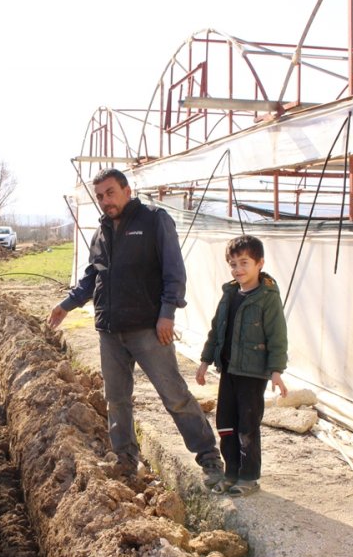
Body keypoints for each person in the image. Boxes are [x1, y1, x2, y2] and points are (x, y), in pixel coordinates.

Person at [47, 168, 223, 483]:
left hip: (148, 329)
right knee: (116, 399)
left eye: (110, 192)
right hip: (110, 330)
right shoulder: (102, 232)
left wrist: (167, 312)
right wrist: (67, 304)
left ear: (127, 190)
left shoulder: (154, 220)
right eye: (100, 196)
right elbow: (92, 277)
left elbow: (174, 271)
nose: (105, 200)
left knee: (174, 395)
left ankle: (210, 459)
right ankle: (125, 460)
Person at [195, 235, 288, 496]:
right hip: (229, 371)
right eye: (233, 264)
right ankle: (231, 472)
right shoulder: (229, 294)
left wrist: (276, 372)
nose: (238, 269)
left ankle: (249, 477)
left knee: (247, 426)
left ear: (260, 263)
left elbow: (277, 336)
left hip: (252, 373)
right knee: (225, 422)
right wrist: (205, 361)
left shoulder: (267, 298)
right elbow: (216, 330)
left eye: (244, 263)